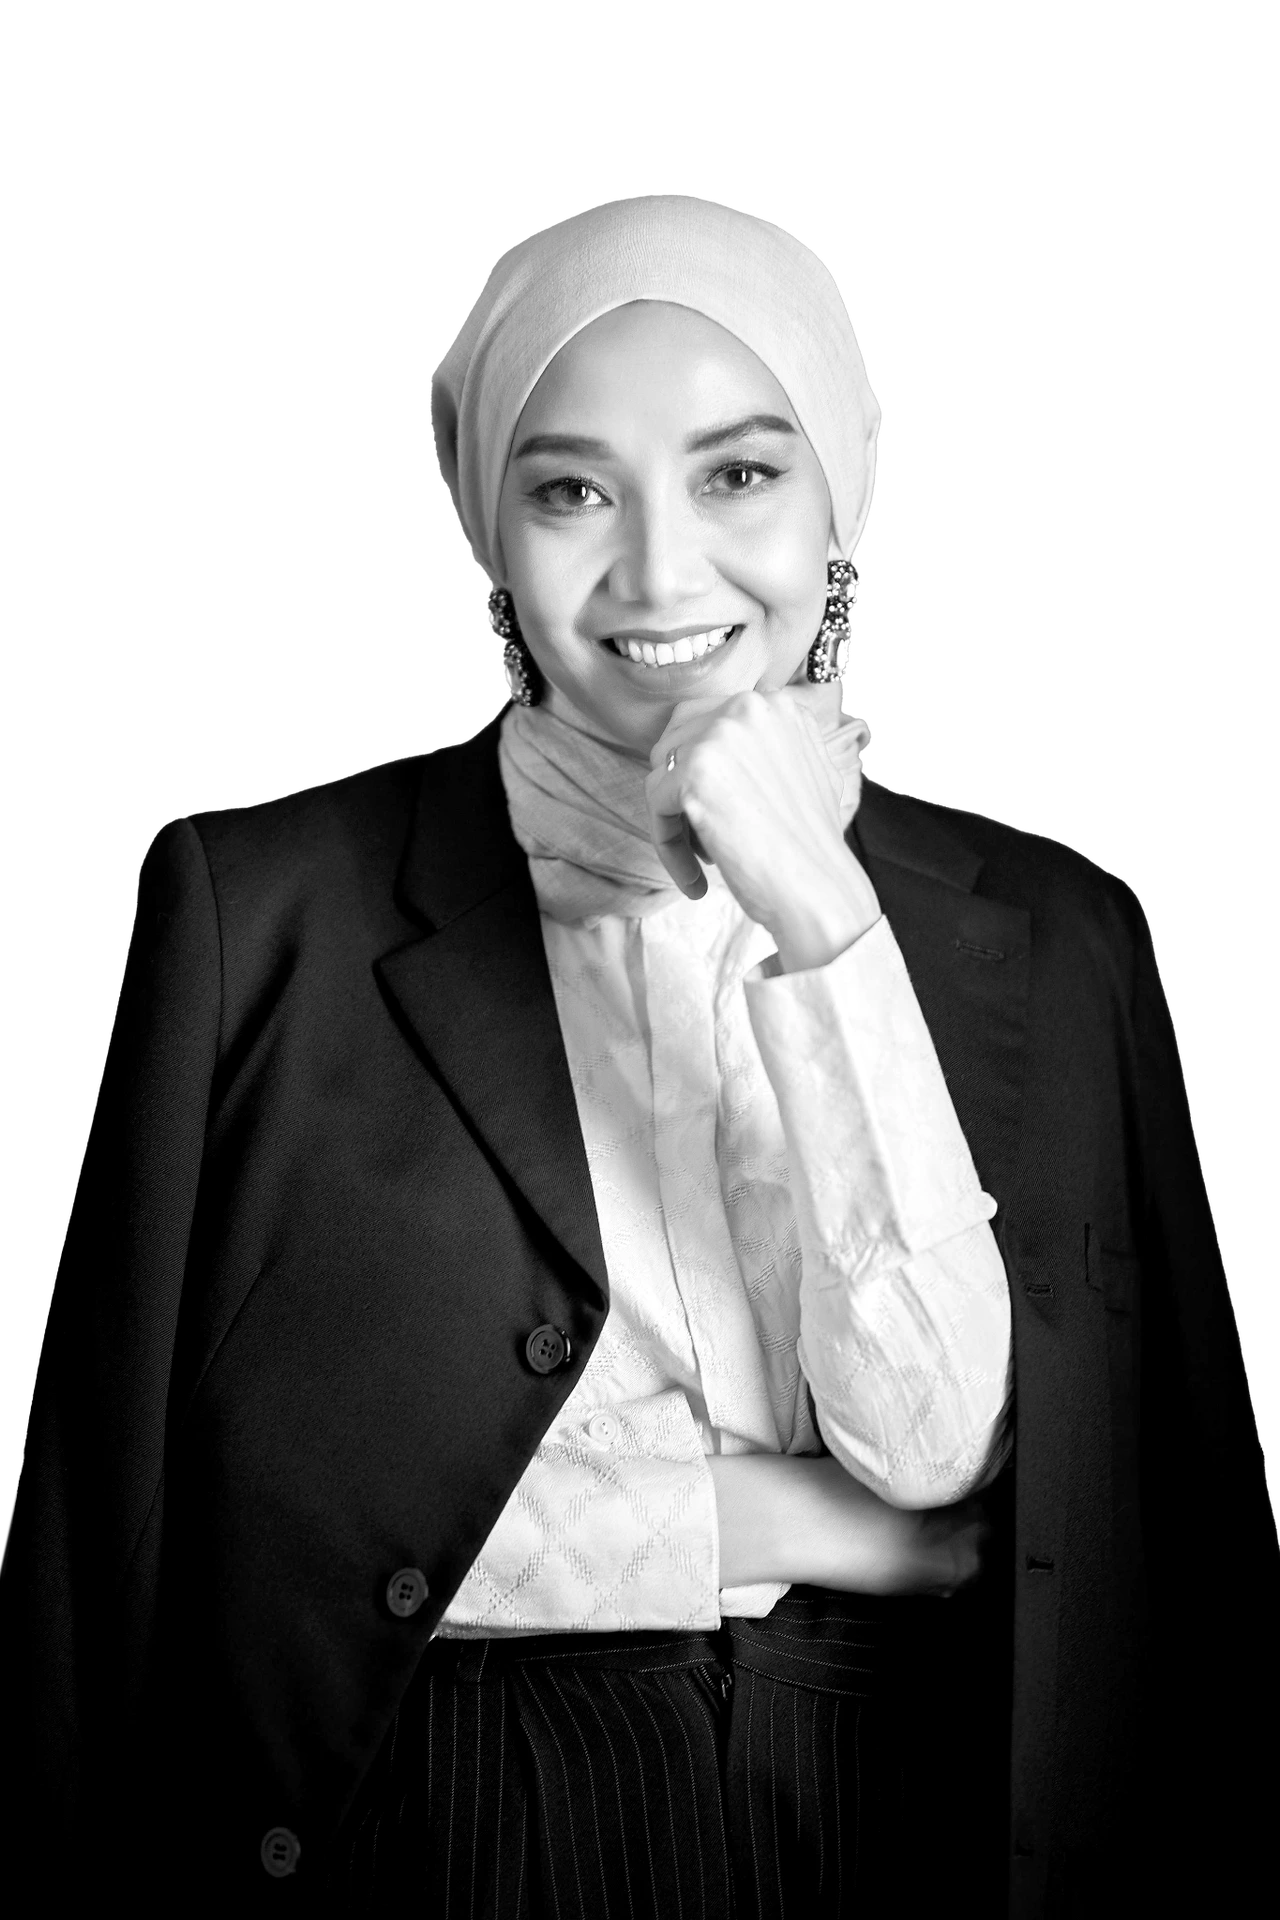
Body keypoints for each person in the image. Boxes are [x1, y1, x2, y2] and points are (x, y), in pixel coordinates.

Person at [1, 194, 1274, 1918]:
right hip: (445, 1829)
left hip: (920, 1834)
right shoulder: (259, 909)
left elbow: (1005, 1482)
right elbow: (167, 1531)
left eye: (738, 473)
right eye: (573, 491)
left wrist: (824, 925)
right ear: (486, 523)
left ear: (844, 497)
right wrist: (801, 1534)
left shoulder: (1062, 932)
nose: (662, 575)